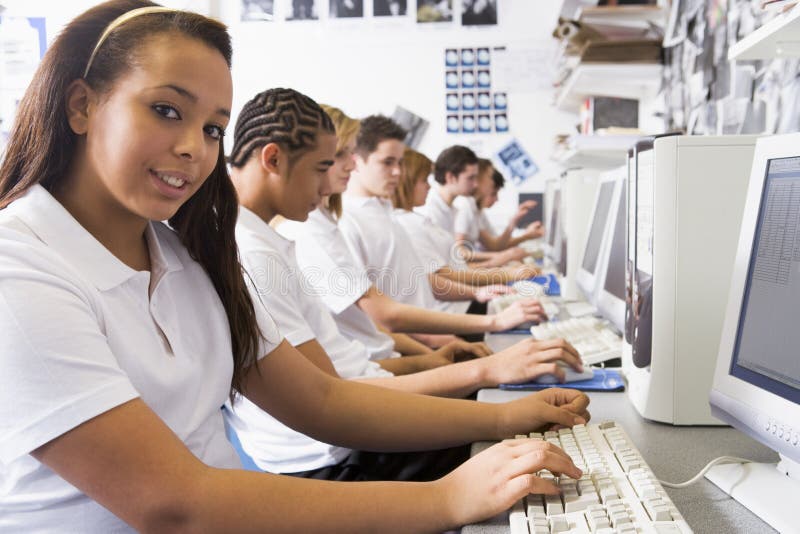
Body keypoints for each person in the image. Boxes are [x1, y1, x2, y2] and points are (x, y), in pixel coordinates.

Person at [0, 2, 590, 531]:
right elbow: (171, 504)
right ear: (82, 105)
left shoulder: (187, 252)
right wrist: (446, 500)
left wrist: (508, 416)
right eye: (165, 110)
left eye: (212, 129)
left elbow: (322, 401)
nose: (194, 148)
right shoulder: (20, 267)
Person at [228, 87, 584, 480]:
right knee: (528, 448)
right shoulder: (255, 252)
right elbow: (332, 399)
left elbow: (341, 370)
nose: (335, 176)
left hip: (356, 420)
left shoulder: (271, 240)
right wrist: (494, 387)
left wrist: (432, 363)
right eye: (323, 166)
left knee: (523, 432)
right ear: (274, 158)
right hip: (338, 453)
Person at [279, 108, 548, 350]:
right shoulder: (340, 223)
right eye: (388, 162)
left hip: (426, 334)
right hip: (417, 339)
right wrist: (493, 313)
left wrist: (483, 292)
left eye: (400, 163)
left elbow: (420, 279)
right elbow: (380, 315)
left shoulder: (386, 213)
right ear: (359, 161)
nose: (397, 172)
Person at [392, 147, 540, 290]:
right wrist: (501, 268)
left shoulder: (454, 209)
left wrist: (501, 265)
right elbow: (445, 272)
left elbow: (456, 264)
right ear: (450, 177)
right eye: (471, 178)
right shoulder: (430, 214)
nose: (475, 184)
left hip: (463, 284)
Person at [454, 159, 545, 266]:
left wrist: (513, 223)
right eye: (493, 193)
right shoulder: (465, 205)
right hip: (465, 270)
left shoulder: (475, 210)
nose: (491, 181)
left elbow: (494, 246)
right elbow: (459, 253)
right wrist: (503, 256)